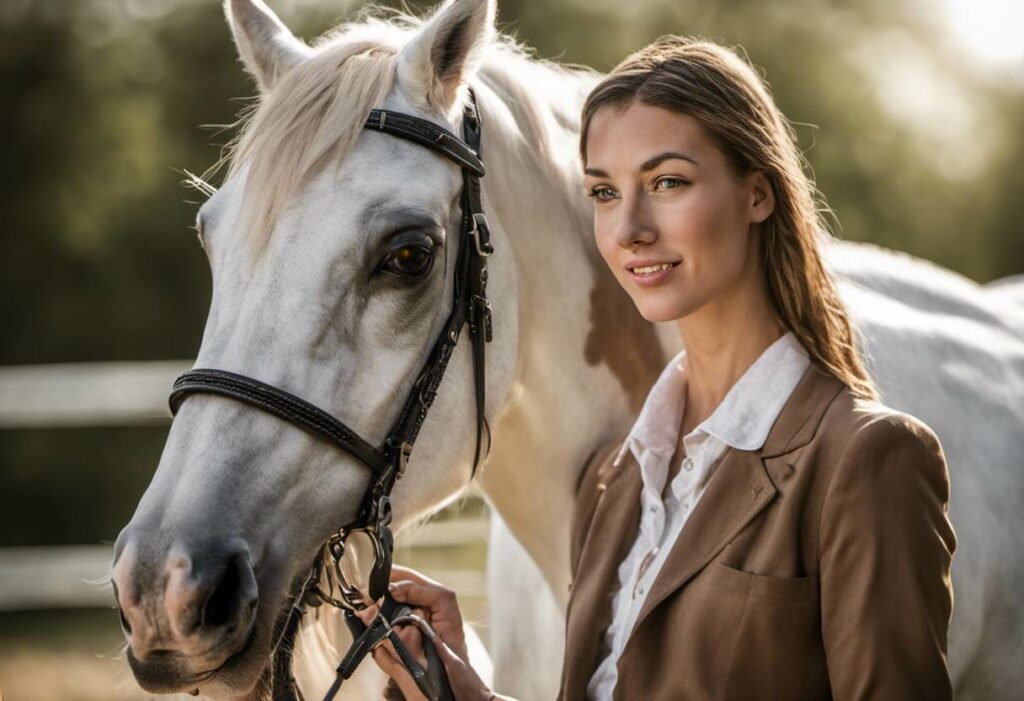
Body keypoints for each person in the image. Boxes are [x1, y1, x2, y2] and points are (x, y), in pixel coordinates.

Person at [361, 36, 957, 700]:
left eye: (668, 182)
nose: (629, 229)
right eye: (605, 193)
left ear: (758, 193)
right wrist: (461, 690)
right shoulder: (612, 481)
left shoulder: (868, 459)